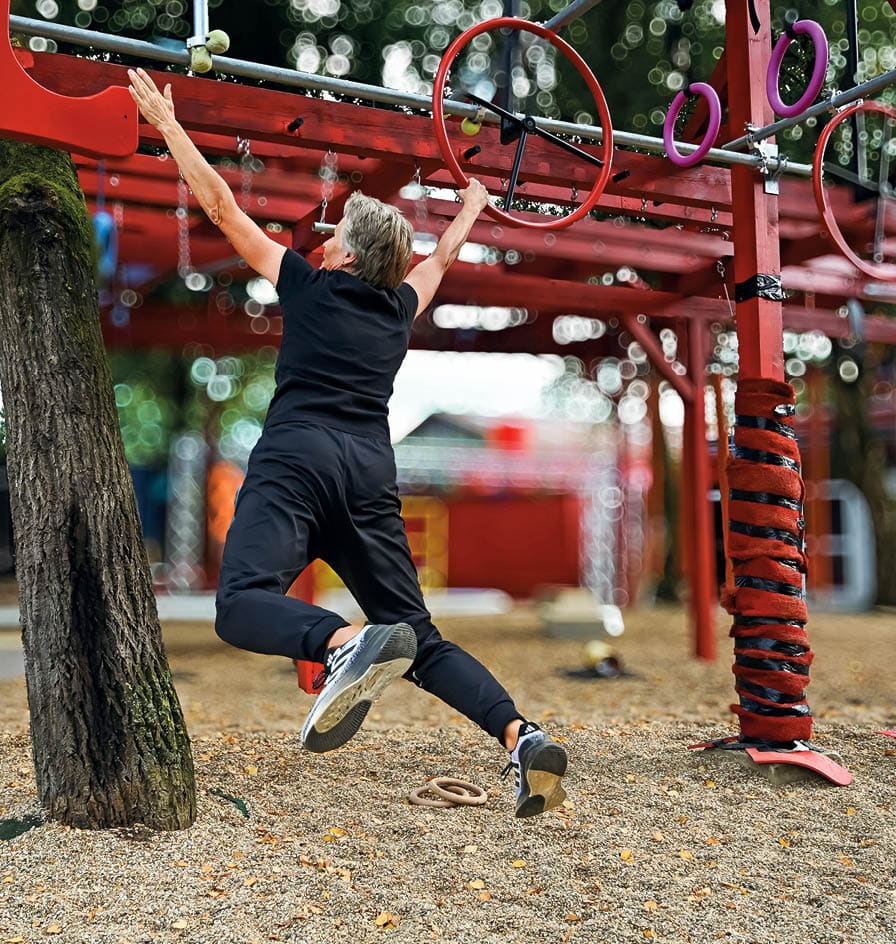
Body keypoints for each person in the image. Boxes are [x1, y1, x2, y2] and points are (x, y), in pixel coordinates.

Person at [128, 68, 567, 817]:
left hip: (298, 459)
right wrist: (470, 206)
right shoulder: (397, 310)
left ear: (348, 259)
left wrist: (170, 127)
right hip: (367, 473)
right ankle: (521, 736)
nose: (323, 241)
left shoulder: (308, 284)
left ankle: (341, 644)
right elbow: (439, 260)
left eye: (334, 239)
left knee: (240, 606)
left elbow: (222, 207)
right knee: (420, 638)